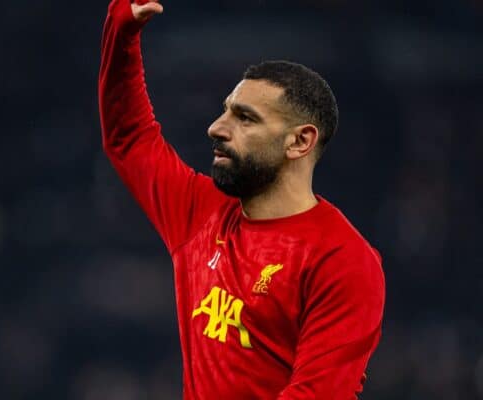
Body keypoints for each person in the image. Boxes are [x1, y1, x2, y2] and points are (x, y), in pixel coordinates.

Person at [98, 0, 385, 398]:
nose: (216, 127)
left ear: (300, 141)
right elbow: (129, 139)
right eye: (225, 111)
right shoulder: (201, 214)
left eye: (244, 118)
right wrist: (122, 29)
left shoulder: (341, 260)